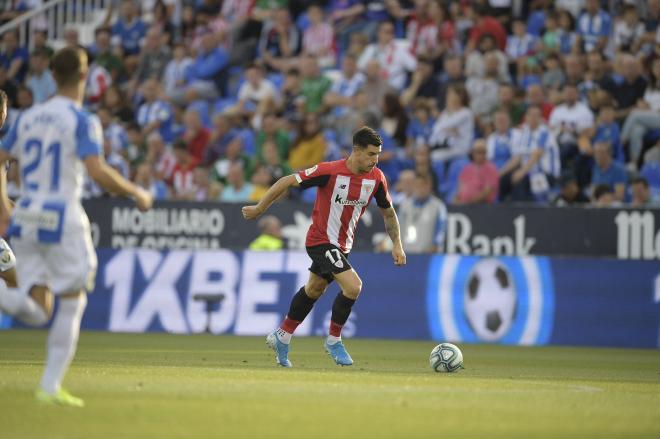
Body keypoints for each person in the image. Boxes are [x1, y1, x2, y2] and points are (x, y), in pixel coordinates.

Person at [0, 47, 153, 407]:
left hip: (28, 216)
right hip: (62, 215)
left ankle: (50, 387)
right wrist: (136, 193)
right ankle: (50, 387)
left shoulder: (25, 118)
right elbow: (97, 171)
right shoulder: (82, 120)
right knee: (72, 299)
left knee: (39, 308)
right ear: (85, 76)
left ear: (51, 75)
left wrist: (5, 204)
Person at [242, 127, 406, 367]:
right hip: (320, 240)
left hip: (343, 246)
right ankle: (334, 340)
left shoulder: (377, 179)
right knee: (353, 286)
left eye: (378, 154)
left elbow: (389, 214)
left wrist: (397, 245)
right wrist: (259, 208)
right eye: (371, 154)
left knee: (314, 289)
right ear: (356, 150)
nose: (375, 160)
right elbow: (287, 181)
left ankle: (282, 335)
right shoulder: (329, 171)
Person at [397, 173, 447, 254]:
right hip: (407, 253)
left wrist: (436, 245)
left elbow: (441, 229)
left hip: (428, 254)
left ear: (429, 186)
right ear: (414, 187)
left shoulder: (438, 206)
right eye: (418, 186)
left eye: (423, 186)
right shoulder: (405, 206)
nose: (421, 189)